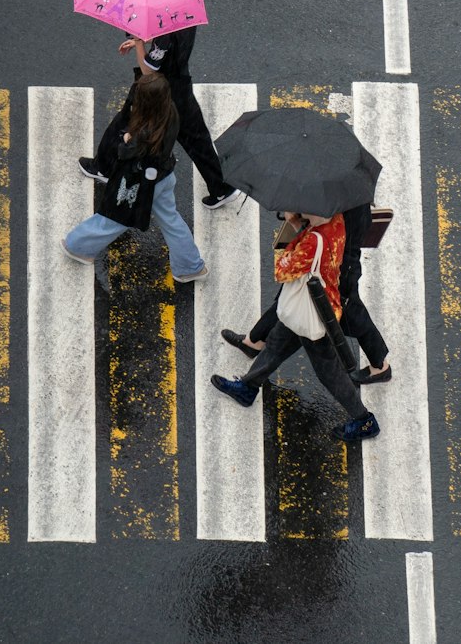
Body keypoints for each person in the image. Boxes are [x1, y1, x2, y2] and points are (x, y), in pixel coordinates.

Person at [210, 210, 380, 443]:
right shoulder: (337, 221)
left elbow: (282, 271)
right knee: (275, 345)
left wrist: (292, 230)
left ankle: (364, 420)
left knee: (329, 373)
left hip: (312, 314)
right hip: (315, 304)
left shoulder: (312, 241)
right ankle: (248, 387)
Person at [220, 203, 391, 384]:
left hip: (336, 271)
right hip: (337, 264)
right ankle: (254, 341)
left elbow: (287, 268)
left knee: (352, 313)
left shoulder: (334, 213)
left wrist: (296, 224)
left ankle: (379, 366)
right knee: (292, 297)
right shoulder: (351, 196)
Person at [62, 74, 208, 282]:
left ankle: (77, 245)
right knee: (171, 220)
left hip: (141, 184)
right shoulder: (170, 111)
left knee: (116, 216)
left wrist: (126, 139)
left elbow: (126, 152)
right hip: (164, 177)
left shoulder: (145, 131)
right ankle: (189, 266)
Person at [77, 26, 240, 209]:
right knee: (197, 140)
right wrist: (150, 41)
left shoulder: (164, 33)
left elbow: (148, 71)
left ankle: (104, 167)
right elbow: (170, 45)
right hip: (181, 88)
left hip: (156, 92)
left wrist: (139, 43)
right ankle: (220, 188)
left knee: (123, 122)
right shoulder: (184, 18)